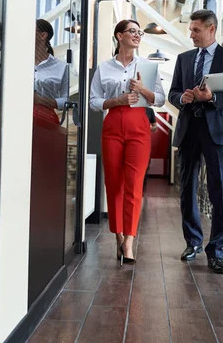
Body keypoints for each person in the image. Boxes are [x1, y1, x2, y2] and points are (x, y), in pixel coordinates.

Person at [168, 9, 223, 274]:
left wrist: (211, 98)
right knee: (187, 189)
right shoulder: (184, 59)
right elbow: (173, 93)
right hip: (189, 129)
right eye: (191, 30)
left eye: (196, 30)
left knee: (221, 191)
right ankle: (193, 243)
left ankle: (216, 251)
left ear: (211, 29)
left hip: (218, 131)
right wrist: (183, 98)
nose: (191, 35)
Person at [90, 19, 165, 265]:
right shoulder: (104, 68)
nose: (137, 35)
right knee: (113, 183)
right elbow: (93, 101)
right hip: (112, 125)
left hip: (138, 126)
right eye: (132, 31)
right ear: (119, 36)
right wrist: (117, 101)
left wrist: (143, 89)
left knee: (134, 184)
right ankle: (118, 236)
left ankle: (130, 241)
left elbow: (160, 100)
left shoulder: (147, 66)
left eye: (139, 32)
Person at [33, 19, 69, 124]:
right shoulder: (18, 62)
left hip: (46, 119)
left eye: (30, 29)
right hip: (18, 116)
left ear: (43, 35)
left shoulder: (61, 67)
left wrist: (40, 100)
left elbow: (66, 100)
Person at [142, 107, 158, 195]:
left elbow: (155, 127)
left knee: (145, 167)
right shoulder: (128, 106)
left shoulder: (149, 110)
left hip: (144, 141)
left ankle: (141, 191)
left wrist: (149, 127)